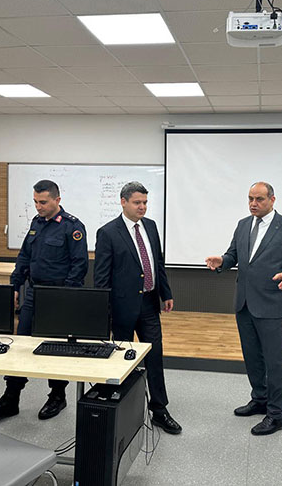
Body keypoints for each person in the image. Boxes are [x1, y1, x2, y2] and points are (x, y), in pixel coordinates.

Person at [205, 182, 282, 436]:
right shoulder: (243, 225)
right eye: (250, 198)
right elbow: (233, 256)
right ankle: (260, 399)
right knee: (252, 357)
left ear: (272, 200)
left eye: (259, 199)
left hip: (272, 305)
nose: (253, 203)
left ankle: (276, 414)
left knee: (274, 362)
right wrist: (222, 261)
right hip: (244, 304)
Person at [0, 180, 88, 421]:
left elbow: (79, 265)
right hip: (34, 292)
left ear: (57, 200)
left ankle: (57, 396)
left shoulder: (72, 227)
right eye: (35, 202)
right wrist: (15, 286)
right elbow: (24, 257)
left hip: (59, 295)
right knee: (21, 344)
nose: (38, 207)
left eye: (43, 202)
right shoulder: (35, 224)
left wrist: (67, 297)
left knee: (56, 348)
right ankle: (11, 398)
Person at [94, 181, 182, 435]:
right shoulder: (108, 232)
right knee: (121, 359)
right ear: (123, 202)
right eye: (137, 203)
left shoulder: (151, 227)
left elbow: (157, 263)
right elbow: (101, 277)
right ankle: (119, 406)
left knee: (154, 356)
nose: (142, 207)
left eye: (145, 202)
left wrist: (165, 293)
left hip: (149, 303)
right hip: (121, 307)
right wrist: (104, 311)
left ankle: (159, 410)